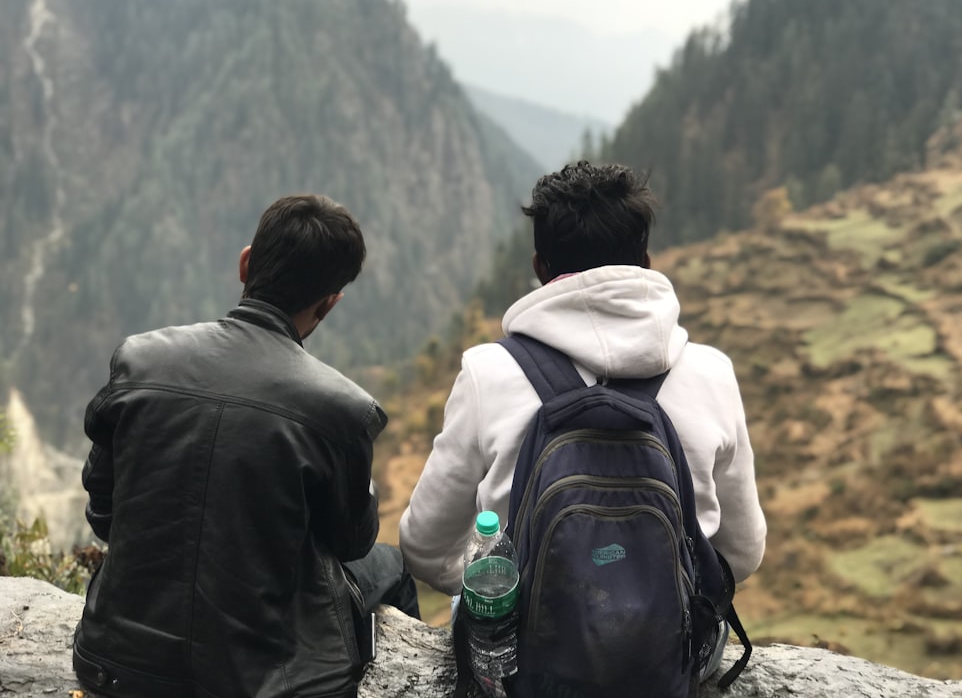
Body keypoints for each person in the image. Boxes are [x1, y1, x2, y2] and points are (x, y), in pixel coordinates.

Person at [399, 161, 766, 679]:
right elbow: (743, 552)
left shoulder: (489, 372)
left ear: (540, 266)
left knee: (480, 609)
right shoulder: (711, 372)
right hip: (667, 659)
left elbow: (425, 546)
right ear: (644, 261)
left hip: (525, 664)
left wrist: (509, 599)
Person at [73, 194, 419, 698]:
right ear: (329, 302)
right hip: (255, 685)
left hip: (112, 666)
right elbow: (351, 541)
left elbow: (104, 515)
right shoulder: (342, 409)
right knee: (392, 567)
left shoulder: (137, 361)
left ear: (245, 264)